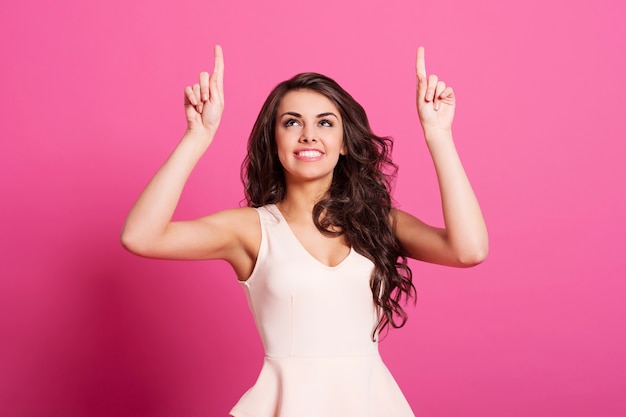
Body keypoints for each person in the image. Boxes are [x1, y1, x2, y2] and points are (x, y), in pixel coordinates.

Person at [121, 45, 488, 417]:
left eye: (325, 123)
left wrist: (439, 135)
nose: (309, 135)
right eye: (292, 122)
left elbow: (468, 250)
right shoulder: (251, 229)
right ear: (274, 139)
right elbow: (141, 236)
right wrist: (197, 136)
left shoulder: (380, 223)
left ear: (345, 143)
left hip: (373, 403)